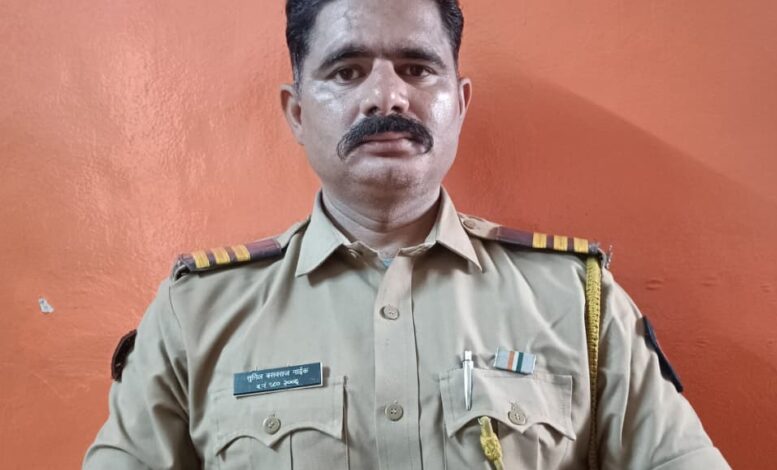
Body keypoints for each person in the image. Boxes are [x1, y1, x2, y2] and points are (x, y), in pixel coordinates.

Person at [84, 0, 731, 468]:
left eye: (418, 69)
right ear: (297, 112)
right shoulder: (198, 313)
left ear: (461, 103)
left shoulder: (576, 301)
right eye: (347, 70)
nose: (387, 97)